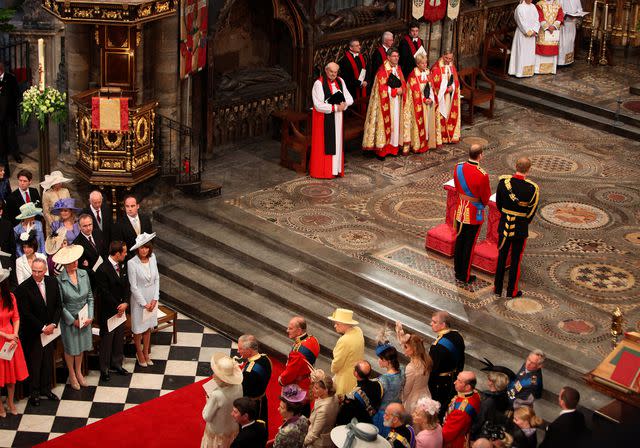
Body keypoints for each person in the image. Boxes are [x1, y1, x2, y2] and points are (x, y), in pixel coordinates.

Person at [15, 258, 62, 406]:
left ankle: (46, 389)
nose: (36, 274)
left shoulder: (52, 282)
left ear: (45, 271)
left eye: (39, 271)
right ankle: (34, 393)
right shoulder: (23, 288)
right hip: (34, 332)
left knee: (48, 360)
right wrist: (42, 328)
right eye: (34, 271)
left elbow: (58, 305)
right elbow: (26, 313)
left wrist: (53, 324)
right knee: (35, 363)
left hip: (50, 330)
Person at [493, 157, 540, 298]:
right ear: (529, 169)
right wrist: (523, 222)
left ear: (515, 166)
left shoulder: (503, 183)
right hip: (520, 228)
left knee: (501, 257)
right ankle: (511, 291)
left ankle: (497, 288)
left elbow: (499, 204)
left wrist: (506, 215)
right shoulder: (532, 188)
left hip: (504, 225)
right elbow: (531, 211)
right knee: (515, 260)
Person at [54, 244, 93, 390]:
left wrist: (89, 315)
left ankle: (79, 371)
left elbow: (90, 297)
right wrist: (73, 321)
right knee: (71, 348)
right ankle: (71, 374)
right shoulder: (59, 280)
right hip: (69, 319)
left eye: (76, 260)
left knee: (81, 346)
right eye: (71, 261)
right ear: (65, 264)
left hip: (84, 317)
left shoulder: (84, 274)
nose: (75, 262)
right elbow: (61, 305)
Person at [452, 144, 491, 284]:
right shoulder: (482, 175)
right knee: (469, 244)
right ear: (480, 155)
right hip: (473, 213)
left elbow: (457, 186)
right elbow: (485, 197)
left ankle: (457, 270)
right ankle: (465, 275)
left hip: (460, 209)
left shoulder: (458, 167)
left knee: (459, 240)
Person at [310, 62, 354, 179]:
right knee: (326, 145)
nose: (333, 74)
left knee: (337, 143)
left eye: (335, 72)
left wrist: (344, 104)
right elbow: (318, 105)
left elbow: (350, 98)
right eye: (331, 72)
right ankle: (325, 172)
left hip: (338, 118)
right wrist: (334, 107)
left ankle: (336, 170)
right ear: (326, 70)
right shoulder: (318, 84)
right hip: (324, 119)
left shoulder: (340, 81)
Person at [362, 48, 406, 160]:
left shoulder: (398, 69)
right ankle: (382, 150)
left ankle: (393, 148)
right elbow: (381, 90)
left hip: (396, 102)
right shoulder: (382, 71)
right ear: (388, 57)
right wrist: (396, 91)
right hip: (385, 104)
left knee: (395, 125)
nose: (396, 58)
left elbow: (403, 83)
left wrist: (402, 89)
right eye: (394, 56)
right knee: (385, 126)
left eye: (398, 56)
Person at [95, 240, 129, 381]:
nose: (126, 254)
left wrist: (126, 303)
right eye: (124, 252)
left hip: (121, 309)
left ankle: (117, 363)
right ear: (116, 254)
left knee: (119, 338)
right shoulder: (102, 269)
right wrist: (118, 306)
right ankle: (104, 368)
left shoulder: (122, 265)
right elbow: (104, 292)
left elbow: (127, 285)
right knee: (107, 341)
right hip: (109, 311)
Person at [0, 266, 29, 416]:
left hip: (11, 338)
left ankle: (10, 402)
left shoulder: (10, 297)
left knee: (11, 375)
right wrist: (6, 335)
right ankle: (0, 405)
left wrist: (15, 335)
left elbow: (16, 317)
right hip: (2, 337)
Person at [127, 232, 159, 367]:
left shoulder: (153, 258)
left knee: (148, 327)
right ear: (137, 249)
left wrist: (155, 298)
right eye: (141, 248)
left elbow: (157, 278)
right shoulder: (132, 263)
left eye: (146, 247)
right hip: (139, 300)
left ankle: (146, 353)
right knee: (138, 329)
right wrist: (145, 304)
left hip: (152, 298)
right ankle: (139, 353)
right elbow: (133, 287)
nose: (144, 250)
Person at [428, 311, 466, 420]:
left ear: (443, 325)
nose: (431, 323)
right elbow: (461, 360)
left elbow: (433, 371)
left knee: (437, 409)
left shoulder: (437, 347)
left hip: (439, 383)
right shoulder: (457, 335)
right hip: (453, 378)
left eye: (434, 322)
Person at [201, 353, 244, 448]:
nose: (213, 375)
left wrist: (208, 399)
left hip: (218, 430)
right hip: (233, 427)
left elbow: (207, 416)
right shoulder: (239, 386)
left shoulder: (216, 395)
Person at [402, 53, 442, 154]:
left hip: (429, 104)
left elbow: (432, 88)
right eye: (422, 63)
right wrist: (424, 99)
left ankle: (428, 142)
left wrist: (431, 98)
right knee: (421, 124)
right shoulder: (413, 76)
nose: (425, 65)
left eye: (426, 63)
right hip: (419, 105)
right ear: (417, 64)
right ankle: (418, 144)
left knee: (428, 123)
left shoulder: (428, 72)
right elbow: (413, 93)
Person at [396, 322, 432, 413]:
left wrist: (401, 399)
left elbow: (407, 390)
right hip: (425, 395)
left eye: (406, 347)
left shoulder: (411, 367)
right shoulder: (425, 360)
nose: (404, 349)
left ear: (414, 349)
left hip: (413, 400)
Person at [279, 316, 320, 395]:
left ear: (299, 330)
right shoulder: (314, 339)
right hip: (308, 381)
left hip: (296, 386)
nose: (287, 330)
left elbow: (290, 373)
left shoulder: (297, 351)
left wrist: (281, 380)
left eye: (290, 329)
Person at [335, 360, 384, 426]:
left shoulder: (355, 396)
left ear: (355, 374)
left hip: (362, 425)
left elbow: (344, 418)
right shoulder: (378, 384)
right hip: (374, 418)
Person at [237, 334, 272, 425]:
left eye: (240, 349)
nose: (238, 351)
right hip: (262, 398)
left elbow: (242, 390)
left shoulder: (250, 372)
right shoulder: (266, 358)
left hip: (252, 405)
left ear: (249, 350)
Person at [329, 308, 364, 395]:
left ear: (346, 324)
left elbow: (337, 363)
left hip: (344, 379)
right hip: (356, 374)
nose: (335, 326)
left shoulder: (344, 340)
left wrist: (333, 369)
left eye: (337, 324)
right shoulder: (358, 331)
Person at [472, 367, 513, 440]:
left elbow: (479, 422)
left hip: (483, 433)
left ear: (492, 383)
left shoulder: (488, 402)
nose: (487, 381)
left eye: (489, 379)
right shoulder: (504, 394)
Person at [442, 372, 481, 448]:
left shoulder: (461, 411)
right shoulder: (475, 394)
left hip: (454, 442)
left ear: (467, 387)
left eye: (459, 381)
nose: (454, 382)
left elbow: (447, 435)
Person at [372, 342, 404, 437]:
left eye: (381, 359)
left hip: (384, 414)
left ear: (388, 361)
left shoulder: (384, 379)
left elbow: (377, 399)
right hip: (396, 412)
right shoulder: (402, 370)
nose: (379, 361)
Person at [430, 51, 461, 144]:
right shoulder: (436, 68)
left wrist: (453, 87)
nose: (448, 60)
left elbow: (456, 81)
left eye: (450, 58)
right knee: (442, 115)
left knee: (449, 114)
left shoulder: (452, 66)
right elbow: (434, 84)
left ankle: (450, 135)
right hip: (441, 97)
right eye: (446, 58)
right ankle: (441, 137)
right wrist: (445, 90)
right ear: (443, 56)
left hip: (450, 97)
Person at [305, 369, 340, 447]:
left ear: (326, 390)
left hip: (318, 443)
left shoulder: (323, 410)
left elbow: (313, 435)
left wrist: (303, 443)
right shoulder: (333, 397)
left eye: (316, 388)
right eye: (314, 387)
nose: (313, 390)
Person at [113, 195, 152, 260]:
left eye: (132, 206)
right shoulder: (119, 224)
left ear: (137, 206)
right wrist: (132, 259)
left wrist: (147, 253)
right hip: (130, 259)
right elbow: (120, 247)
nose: (130, 209)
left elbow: (150, 239)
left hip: (146, 256)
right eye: (127, 206)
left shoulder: (145, 219)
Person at [508, 0, 540, 78]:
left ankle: (528, 72)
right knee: (521, 52)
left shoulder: (533, 7)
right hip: (522, 34)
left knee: (529, 53)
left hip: (532, 35)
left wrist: (535, 30)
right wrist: (528, 31)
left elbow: (537, 20)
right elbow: (520, 21)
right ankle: (518, 72)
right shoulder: (520, 8)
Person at [73, 214, 107, 283]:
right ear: (79, 227)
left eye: (90, 224)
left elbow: (104, 251)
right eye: (85, 226)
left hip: (106, 273)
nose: (88, 228)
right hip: (92, 279)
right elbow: (82, 267)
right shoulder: (77, 244)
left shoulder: (98, 233)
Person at [274, 384, 310, 448]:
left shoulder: (284, 432)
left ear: (291, 411)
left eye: (282, 408)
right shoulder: (304, 419)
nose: (278, 409)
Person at [0, 62, 21, 170]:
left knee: (11, 136)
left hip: (9, 115)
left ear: (1, 69)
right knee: (1, 139)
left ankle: (16, 154)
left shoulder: (11, 78)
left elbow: (17, 94)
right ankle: (4, 158)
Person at [534, 0, 564, 75]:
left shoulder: (558, 4)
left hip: (554, 31)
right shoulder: (540, 4)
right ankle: (538, 69)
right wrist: (547, 26)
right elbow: (539, 16)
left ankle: (551, 69)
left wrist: (554, 26)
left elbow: (560, 16)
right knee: (542, 49)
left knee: (552, 49)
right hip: (543, 31)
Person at [339, 39, 368, 112]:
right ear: (351, 48)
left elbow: (367, 70)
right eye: (357, 46)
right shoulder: (345, 60)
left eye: (359, 45)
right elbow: (347, 77)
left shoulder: (362, 57)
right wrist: (359, 83)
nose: (359, 47)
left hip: (363, 86)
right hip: (352, 89)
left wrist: (366, 81)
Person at [558, 0, 584, 66]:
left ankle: (568, 61)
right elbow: (557, 8)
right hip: (563, 24)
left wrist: (578, 14)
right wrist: (565, 14)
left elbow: (580, 9)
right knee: (563, 43)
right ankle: (560, 61)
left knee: (570, 42)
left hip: (572, 23)